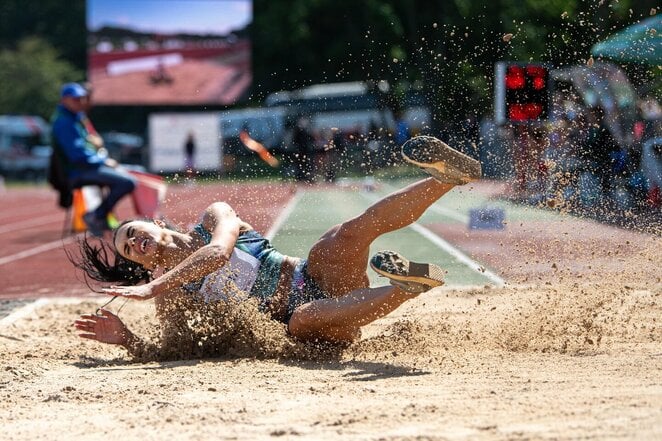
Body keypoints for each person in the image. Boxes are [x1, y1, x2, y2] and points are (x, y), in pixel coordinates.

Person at [73, 136, 482, 355]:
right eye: (129, 247)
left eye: (135, 231)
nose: (136, 240)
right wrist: (127, 339)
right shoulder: (173, 297)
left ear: (156, 222)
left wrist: (152, 287)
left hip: (316, 276)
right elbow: (171, 350)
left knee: (338, 239)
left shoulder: (214, 215)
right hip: (316, 326)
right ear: (140, 262)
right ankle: (407, 285)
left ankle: (448, 177)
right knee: (303, 317)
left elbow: (217, 253)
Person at [51, 82, 136, 236]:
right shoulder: (64, 122)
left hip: (87, 167)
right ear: (64, 100)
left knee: (134, 174)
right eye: (76, 99)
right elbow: (77, 155)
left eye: (82, 98)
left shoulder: (76, 117)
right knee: (128, 181)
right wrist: (103, 160)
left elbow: (86, 146)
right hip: (78, 172)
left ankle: (100, 217)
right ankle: (96, 215)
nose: (81, 102)